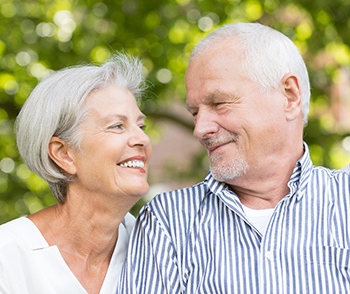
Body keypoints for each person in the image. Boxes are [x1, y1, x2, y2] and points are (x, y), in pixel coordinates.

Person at [118, 22, 350, 293]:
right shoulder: (168, 222)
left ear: (290, 96)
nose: (200, 129)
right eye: (195, 113)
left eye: (219, 103)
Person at [0, 52, 152, 294]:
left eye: (141, 126)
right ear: (64, 154)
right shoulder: (7, 259)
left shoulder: (157, 249)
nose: (142, 139)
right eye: (117, 126)